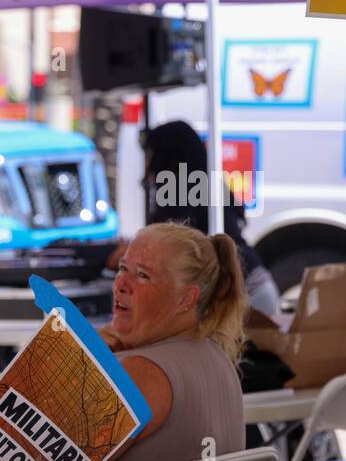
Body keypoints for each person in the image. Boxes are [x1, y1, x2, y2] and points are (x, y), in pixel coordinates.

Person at [85, 222, 248, 461]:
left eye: (143, 276)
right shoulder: (217, 357)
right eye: (122, 268)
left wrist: (80, 360)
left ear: (185, 299)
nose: (121, 284)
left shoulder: (140, 372)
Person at [112, 120, 280, 316]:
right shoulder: (202, 185)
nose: (147, 163)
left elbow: (174, 250)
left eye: (150, 153)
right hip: (256, 288)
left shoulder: (186, 194)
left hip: (246, 298)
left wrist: (131, 254)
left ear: (168, 157)